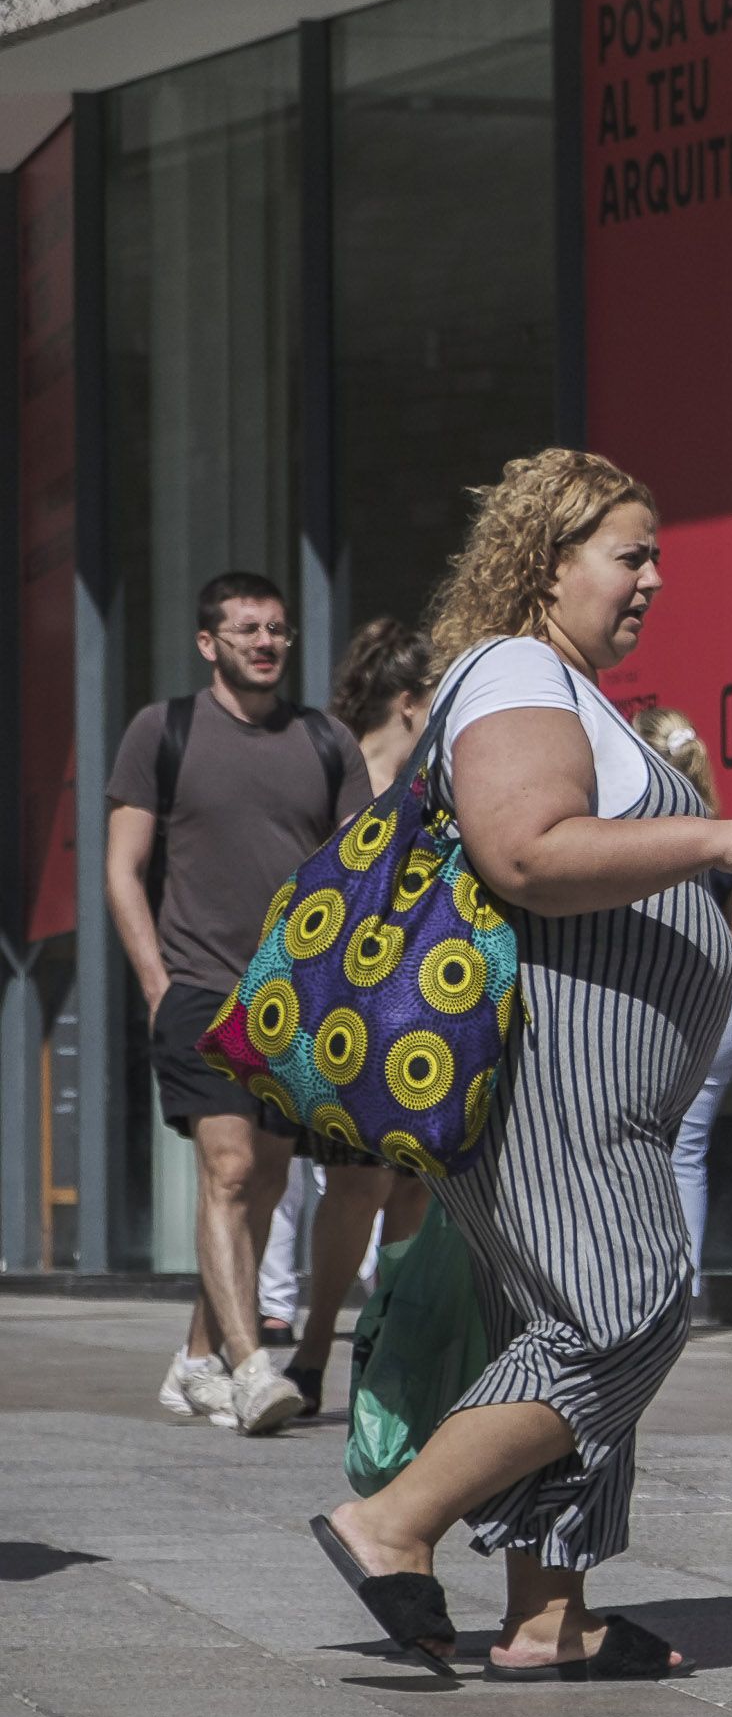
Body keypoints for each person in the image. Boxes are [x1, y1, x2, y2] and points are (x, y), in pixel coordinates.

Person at [305, 453, 732, 1681]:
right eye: (631, 555)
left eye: (654, 558)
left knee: (555, 1320)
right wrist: (718, 833)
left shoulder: (556, 681)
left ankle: (545, 1615)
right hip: (555, 1079)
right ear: (547, 561)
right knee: (622, 1306)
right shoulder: (517, 671)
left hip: (594, 1086)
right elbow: (525, 851)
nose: (652, 581)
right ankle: (392, 1522)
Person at [108, 571, 363, 1437]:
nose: (266, 642)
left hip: (293, 1000)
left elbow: (357, 877)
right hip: (199, 989)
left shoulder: (325, 742)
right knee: (227, 1172)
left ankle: (195, 1360)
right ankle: (252, 1368)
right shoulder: (163, 731)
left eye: (278, 630)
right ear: (208, 642)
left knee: (267, 1180)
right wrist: (157, 985)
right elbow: (122, 869)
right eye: (248, 629)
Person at [264, 616, 442, 1409]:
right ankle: (311, 1348)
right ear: (408, 701)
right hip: (348, 1005)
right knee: (356, 1185)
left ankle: (382, 1349)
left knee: (412, 1188)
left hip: (419, 1005)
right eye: (436, 698)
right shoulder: (345, 770)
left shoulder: (431, 779)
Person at [629, 707, 732, 1294]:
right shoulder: (726, 845)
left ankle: (635, 1284)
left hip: (650, 1007)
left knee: (628, 1144)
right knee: (687, 1153)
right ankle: (681, 1292)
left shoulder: (631, 839)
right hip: (717, 1009)